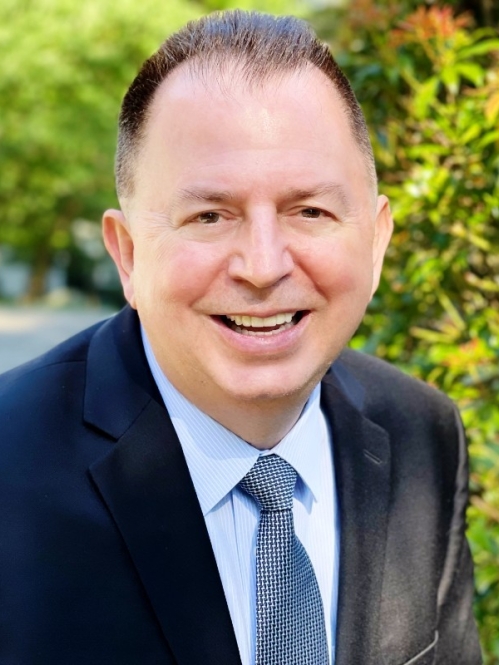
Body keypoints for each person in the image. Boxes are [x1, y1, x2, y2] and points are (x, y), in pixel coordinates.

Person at [0, 10, 481, 665]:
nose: (262, 265)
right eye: (209, 215)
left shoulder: (423, 433)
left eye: (309, 210)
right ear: (127, 254)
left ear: (375, 242)